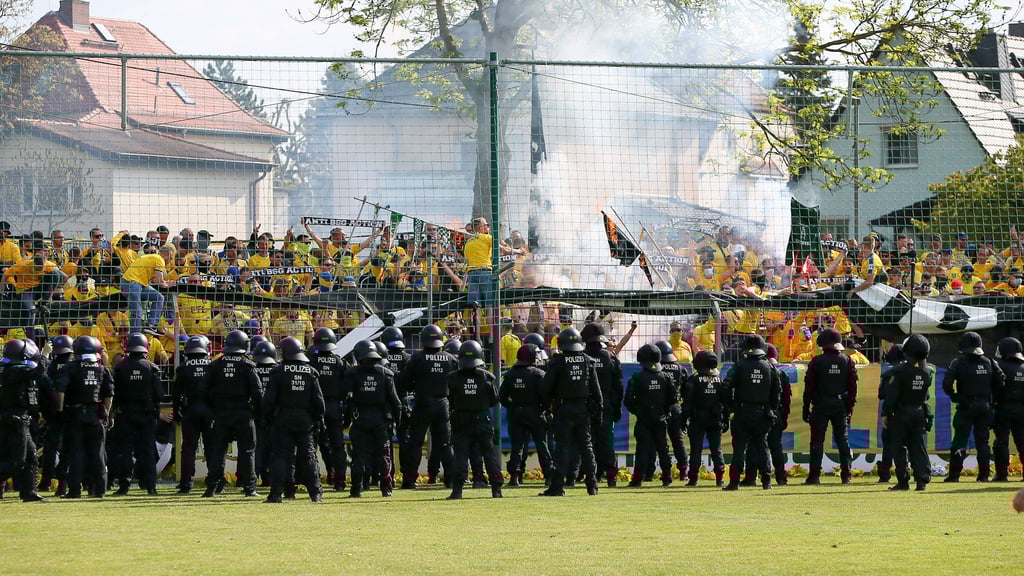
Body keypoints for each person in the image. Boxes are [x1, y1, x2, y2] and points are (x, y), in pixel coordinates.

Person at [539, 327, 603, 497]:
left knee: (562, 448)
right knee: (586, 447)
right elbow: (596, 391)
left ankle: (557, 486)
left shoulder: (557, 362)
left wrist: (547, 407)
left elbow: (546, 388)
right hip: (583, 410)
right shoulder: (588, 361)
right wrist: (598, 412)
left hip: (563, 409)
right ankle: (592, 485)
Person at [262, 337, 325, 503]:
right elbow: (319, 403)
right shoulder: (311, 372)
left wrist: (268, 419)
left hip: (282, 418)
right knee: (309, 456)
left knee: (280, 456)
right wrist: (315, 420)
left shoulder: (277, 372)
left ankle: (276, 494)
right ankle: (315, 494)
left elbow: (268, 401)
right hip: (305, 420)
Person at [201, 330, 262, 498]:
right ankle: (250, 488)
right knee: (247, 451)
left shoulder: (215, 365)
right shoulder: (248, 365)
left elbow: (204, 390)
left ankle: (211, 488)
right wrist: (255, 411)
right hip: (243, 412)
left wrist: (214, 409)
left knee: (218, 451)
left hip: (221, 413)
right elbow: (257, 393)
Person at [55, 335, 114, 499]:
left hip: (75, 415)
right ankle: (100, 490)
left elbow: (61, 390)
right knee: (98, 454)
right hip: (95, 415)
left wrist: (60, 410)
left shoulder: (70, 367)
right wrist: (107, 414)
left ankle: (74, 491)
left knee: (76, 453)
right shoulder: (102, 369)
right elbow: (109, 394)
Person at [399, 324, 457, 489]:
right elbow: (455, 385)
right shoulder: (451, 359)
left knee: (415, 443)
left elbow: (406, 384)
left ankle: (409, 480)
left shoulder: (416, 359)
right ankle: (451, 480)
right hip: (443, 404)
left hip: (423, 404)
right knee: (445, 443)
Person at [446, 340, 504, 499]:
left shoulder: (453, 377)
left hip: (461, 419)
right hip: (482, 418)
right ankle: (496, 489)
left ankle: (457, 490)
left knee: (460, 455)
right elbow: (495, 399)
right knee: (489, 454)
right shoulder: (487, 377)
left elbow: (449, 399)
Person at [722, 334, 781, 491]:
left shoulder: (739, 366)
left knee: (739, 447)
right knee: (762, 446)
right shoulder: (770, 367)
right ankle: (766, 482)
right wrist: (771, 410)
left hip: (742, 411)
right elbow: (777, 393)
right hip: (763, 413)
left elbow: (725, 387)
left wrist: (730, 407)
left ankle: (734, 482)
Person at [344, 340, 402, 498]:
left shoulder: (352, 373)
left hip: (360, 418)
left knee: (359, 455)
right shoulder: (386, 373)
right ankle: (386, 489)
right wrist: (399, 422)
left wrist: (347, 421)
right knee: (384, 455)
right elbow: (396, 402)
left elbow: (348, 400)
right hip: (381, 420)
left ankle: (356, 489)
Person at [942, 331, 1003, 482]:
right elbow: (1001, 381)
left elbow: (947, 384)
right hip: (985, 407)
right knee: (983, 441)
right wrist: (992, 399)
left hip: (966, 406)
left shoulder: (958, 363)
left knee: (960, 440)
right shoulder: (990, 362)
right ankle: (983, 476)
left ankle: (954, 476)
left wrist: (955, 397)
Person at [802, 328, 858, 485]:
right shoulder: (847, 361)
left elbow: (809, 388)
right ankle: (846, 475)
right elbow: (853, 388)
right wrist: (849, 408)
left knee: (817, 441)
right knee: (843, 440)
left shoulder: (816, 362)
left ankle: (814, 476)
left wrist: (806, 408)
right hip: (840, 404)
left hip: (820, 405)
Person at [109, 333, 162, 495]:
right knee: (147, 451)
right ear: (145, 348)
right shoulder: (152, 368)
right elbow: (159, 395)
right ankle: (150, 485)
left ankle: (124, 486)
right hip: (147, 415)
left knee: (126, 451)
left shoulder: (119, 368)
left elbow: (113, 393)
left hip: (125, 414)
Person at [882, 334, 934, 491]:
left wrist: (886, 412)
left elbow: (892, 396)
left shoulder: (898, 372)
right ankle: (922, 481)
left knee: (899, 448)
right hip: (920, 412)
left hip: (900, 413)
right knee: (919, 447)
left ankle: (903, 482)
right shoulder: (927, 372)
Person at [499, 343, 552, 487]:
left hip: (517, 412)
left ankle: (515, 477)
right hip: (535, 412)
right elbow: (546, 395)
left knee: (517, 446)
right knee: (541, 444)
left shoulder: (510, 374)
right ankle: (549, 477)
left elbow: (502, 396)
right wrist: (545, 409)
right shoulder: (538, 374)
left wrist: (512, 406)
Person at [0, 339, 46, 502]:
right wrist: (45, 356)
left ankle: (28, 491)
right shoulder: (15, 371)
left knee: (31, 456)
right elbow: (37, 373)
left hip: (20, 419)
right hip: (16, 420)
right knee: (17, 460)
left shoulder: (9, 370)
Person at [624, 344, 676, 488]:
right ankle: (667, 478)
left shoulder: (637, 377)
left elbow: (628, 400)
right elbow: (673, 399)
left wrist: (639, 411)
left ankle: (637, 480)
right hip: (660, 419)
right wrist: (663, 411)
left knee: (642, 449)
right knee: (663, 449)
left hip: (644, 419)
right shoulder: (665, 377)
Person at [582, 322, 624, 487]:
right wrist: (616, 407)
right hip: (605, 405)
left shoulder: (582, 357)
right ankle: (611, 475)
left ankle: (592, 474)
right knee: (606, 440)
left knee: (588, 440)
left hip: (585, 405)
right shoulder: (611, 358)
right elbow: (618, 386)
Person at [744, 343, 792, 486]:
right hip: (777, 413)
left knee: (755, 445)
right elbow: (786, 398)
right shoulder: (781, 373)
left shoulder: (758, 370)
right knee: (776, 446)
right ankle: (781, 477)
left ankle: (751, 477)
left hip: (761, 412)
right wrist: (784, 415)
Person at [173, 336, 214, 495]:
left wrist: (177, 412)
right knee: (212, 448)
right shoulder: (212, 366)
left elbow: (176, 394)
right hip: (210, 411)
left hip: (190, 411)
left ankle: (186, 484)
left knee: (189, 448)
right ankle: (214, 482)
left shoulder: (182, 368)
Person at [308, 327, 348, 492]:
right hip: (333, 407)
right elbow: (346, 388)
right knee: (337, 446)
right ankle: (339, 481)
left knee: (311, 446)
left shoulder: (310, 360)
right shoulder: (340, 362)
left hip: (314, 408)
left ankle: (313, 481)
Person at [682, 350, 728, 487]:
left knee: (696, 450)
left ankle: (693, 479)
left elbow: (687, 403)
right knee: (716, 449)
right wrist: (725, 419)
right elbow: (726, 402)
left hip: (698, 418)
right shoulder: (720, 380)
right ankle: (720, 479)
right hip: (715, 419)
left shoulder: (694, 380)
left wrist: (683, 420)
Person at [119, 244, 174, 336]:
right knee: (137, 312)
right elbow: (158, 280)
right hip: (132, 283)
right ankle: (135, 337)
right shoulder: (160, 259)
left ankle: (151, 325)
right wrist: (166, 284)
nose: (171, 260)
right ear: (164, 255)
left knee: (158, 297)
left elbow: (157, 279)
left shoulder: (152, 258)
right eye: (171, 258)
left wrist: (164, 282)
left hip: (137, 283)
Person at [993, 337, 1024, 482]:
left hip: (1003, 408)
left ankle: (1002, 474)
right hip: (1022, 410)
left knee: (1001, 442)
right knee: (1022, 442)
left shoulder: (1001, 367)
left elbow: (995, 388)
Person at [251, 338, 278, 492]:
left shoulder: (252, 368)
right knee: (276, 449)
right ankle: (273, 479)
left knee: (257, 449)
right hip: (276, 415)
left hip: (256, 414)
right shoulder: (278, 369)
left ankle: (251, 481)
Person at [876, 344, 905, 483]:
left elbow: (881, 394)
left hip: (892, 412)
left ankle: (884, 474)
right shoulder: (914, 370)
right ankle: (914, 473)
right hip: (909, 410)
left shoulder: (887, 373)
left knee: (888, 444)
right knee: (911, 444)